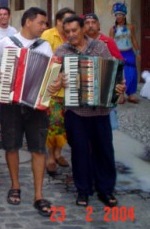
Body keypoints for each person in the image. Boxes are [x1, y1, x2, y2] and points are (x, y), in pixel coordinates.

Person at [0, 7, 53, 217]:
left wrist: (56, 81)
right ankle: (15, 185)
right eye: (41, 23)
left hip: (36, 105)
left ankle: (39, 195)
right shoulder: (8, 42)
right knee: (11, 146)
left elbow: (51, 72)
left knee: (38, 148)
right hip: (10, 103)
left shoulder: (45, 46)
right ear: (28, 22)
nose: (44, 27)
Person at [51, 15, 126, 208]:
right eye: (67, 32)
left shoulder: (99, 47)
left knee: (104, 151)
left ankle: (106, 190)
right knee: (80, 152)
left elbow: (113, 71)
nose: (71, 35)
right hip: (75, 112)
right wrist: (60, 81)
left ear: (83, 29)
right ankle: (83, 190)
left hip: (100, 111)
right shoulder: (62, 51)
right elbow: (52, 80)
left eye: (74, 30)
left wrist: (119, 86)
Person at [40, 7, 75, 176]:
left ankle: (59, 153)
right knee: (53, 124)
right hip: (52, 88)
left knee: (65, 125)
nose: (69, 26)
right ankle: (50, 157)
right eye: (66, 21)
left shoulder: (74, 37)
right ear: (58, 21)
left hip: (70, 88)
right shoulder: (48, 35)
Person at [83, 13, 125, 131]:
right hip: (85, 87)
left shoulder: (108, 41)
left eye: (93, 22)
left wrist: (119, 88)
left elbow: (119, 63)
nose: (90, 25)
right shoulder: (80, 42)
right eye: (87, 23)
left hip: (105, 87)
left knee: (106, 125)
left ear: (99, 26)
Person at [109, 2, 141, 103]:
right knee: (119, 74)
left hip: (129, 52)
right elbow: (111, 42)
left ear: (124, 15)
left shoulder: (130, 27)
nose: (118, 17)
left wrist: (138, 52)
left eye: (120, 15)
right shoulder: (112, 29)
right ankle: (120, 95)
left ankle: (131, 94)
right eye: (116, 15)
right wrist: (111, 54)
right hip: (118, 53)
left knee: (131, 73)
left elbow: (134, 40)